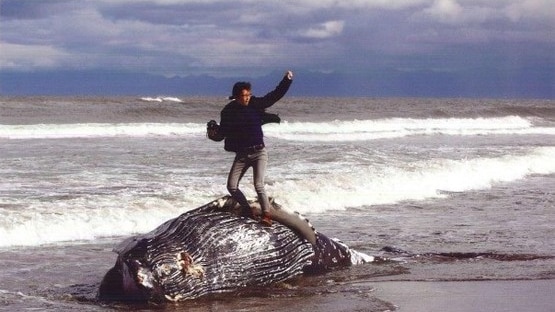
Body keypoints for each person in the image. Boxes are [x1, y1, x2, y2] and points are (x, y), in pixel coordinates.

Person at [219, 70, 293, 226]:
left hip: (259, 152)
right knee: (231, 186)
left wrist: (286, 80)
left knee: (258, 184)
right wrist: (213, 133)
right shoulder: (228, 112)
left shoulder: (255, 104)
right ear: (236, 97)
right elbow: (221, 134)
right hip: (242, 155)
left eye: (249, 95)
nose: (247, 98)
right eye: (244, 96)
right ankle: (247, 210)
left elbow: (274, 96)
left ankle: (267, 215)